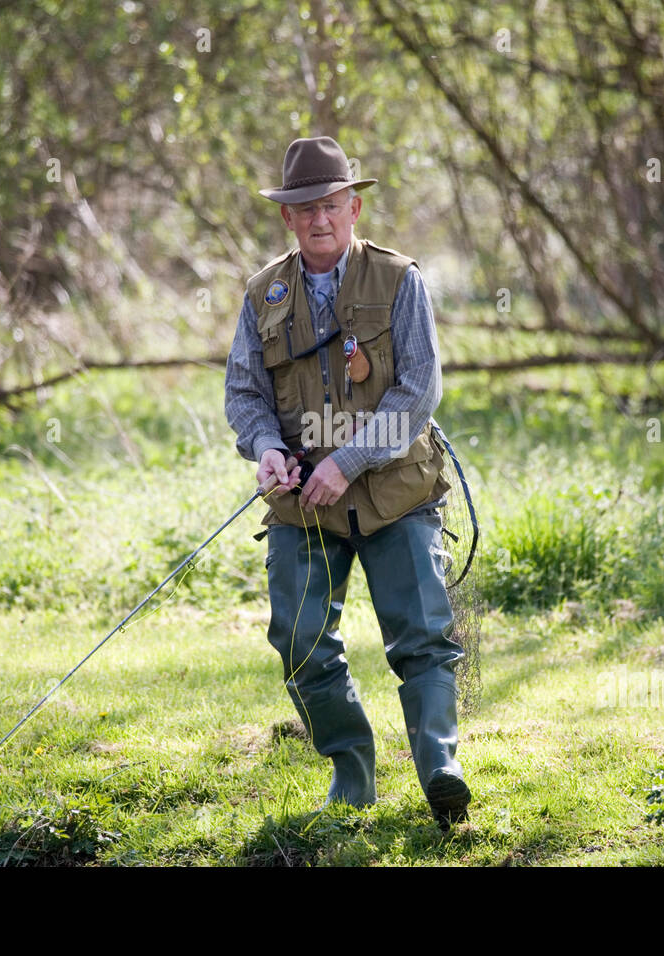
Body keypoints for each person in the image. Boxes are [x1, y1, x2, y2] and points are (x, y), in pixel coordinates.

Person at [224, 136, 470, 828]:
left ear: (353, 207)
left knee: (422, 638)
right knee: (298, 638)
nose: (318, 219)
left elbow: (418, 393)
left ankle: (439, 766)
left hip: (396, 494)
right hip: (302, 502)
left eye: (330, 204)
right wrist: (267, 448)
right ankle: (352, 767)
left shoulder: (400, 280)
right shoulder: (260, 294)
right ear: (288, 219)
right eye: (304, 209)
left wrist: (346, 462)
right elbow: (244, 395)